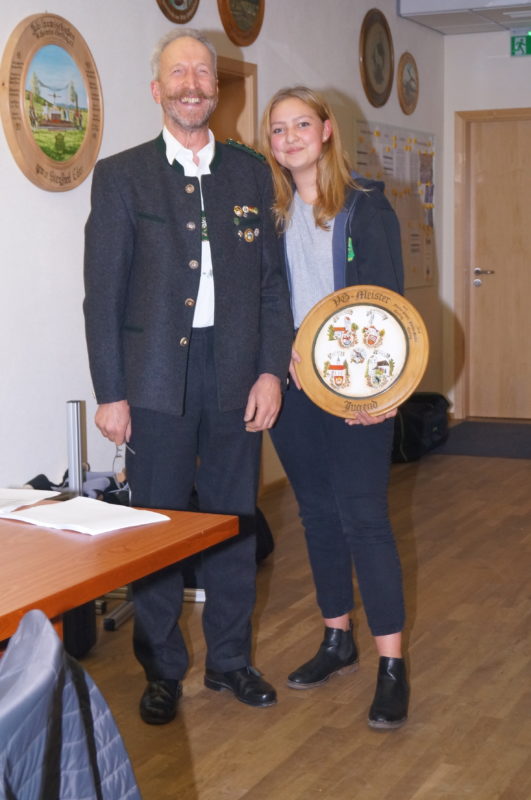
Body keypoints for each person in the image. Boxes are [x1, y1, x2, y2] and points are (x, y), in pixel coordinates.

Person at [83, 30, 293, 725]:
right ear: (158, 90)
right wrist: (111, 392)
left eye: (202, 72)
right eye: (179, 73)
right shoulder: (122, 175)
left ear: (215, 87)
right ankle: (162, 669)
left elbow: (271, 288)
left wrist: (270, 371)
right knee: (157, 527)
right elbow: (102, 295)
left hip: (235, 374)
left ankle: (230, 661)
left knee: (233, 522)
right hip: (152, 380)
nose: (192, 84)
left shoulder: (250, 173)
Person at [260, 86, 409, 729]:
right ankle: (336, 639)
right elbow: (266, 300)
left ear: (325, 131)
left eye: (302, 124)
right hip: (295, 391)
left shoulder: (366, 205)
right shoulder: (269, 212)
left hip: (356, 388)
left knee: (365, 519)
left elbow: (389, 307)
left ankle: (392, 666)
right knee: (317, 515)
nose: (290, 137)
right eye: (278, 129)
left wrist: (382, 393)